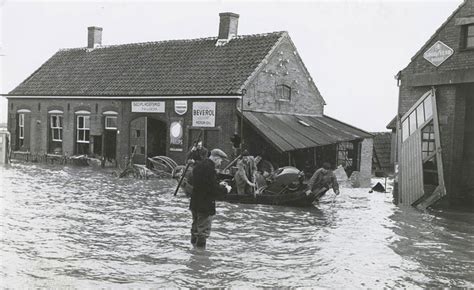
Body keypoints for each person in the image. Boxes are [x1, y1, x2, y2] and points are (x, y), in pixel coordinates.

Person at [189, 148, 231, 249]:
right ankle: (200, 256)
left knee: (195, 229)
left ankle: (193, 252)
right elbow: (212, 189)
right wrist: (226, 190)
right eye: (220, 161)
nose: (220, 163)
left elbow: (198, 183)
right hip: (205, 205)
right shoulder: (210, 169)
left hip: (195, 203)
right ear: (216, 158)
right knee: (203, 232)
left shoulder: (198, 166)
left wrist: (218, 184)